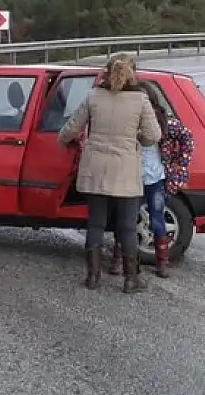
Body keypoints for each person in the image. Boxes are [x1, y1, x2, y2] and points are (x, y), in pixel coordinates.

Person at [58, 53, 160, 293]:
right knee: (126, 226)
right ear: (133, 73)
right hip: (125, 170)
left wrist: (65, 141)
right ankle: (130, 279)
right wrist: (138, 139)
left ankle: (92, 277)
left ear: (105, 71)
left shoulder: (93, 96)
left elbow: (71, 129)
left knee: (95, 224)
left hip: (95, 168)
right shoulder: (141, 100)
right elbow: (153, 136)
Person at [137, 82, 194, 278]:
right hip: (133, 177)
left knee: (156, 217)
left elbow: (187, 138)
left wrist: (180, 164)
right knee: (128, 219)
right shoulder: (131, 119)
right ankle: (122, 260)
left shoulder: (164, 122)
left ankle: (162, 262)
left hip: (154, 178)